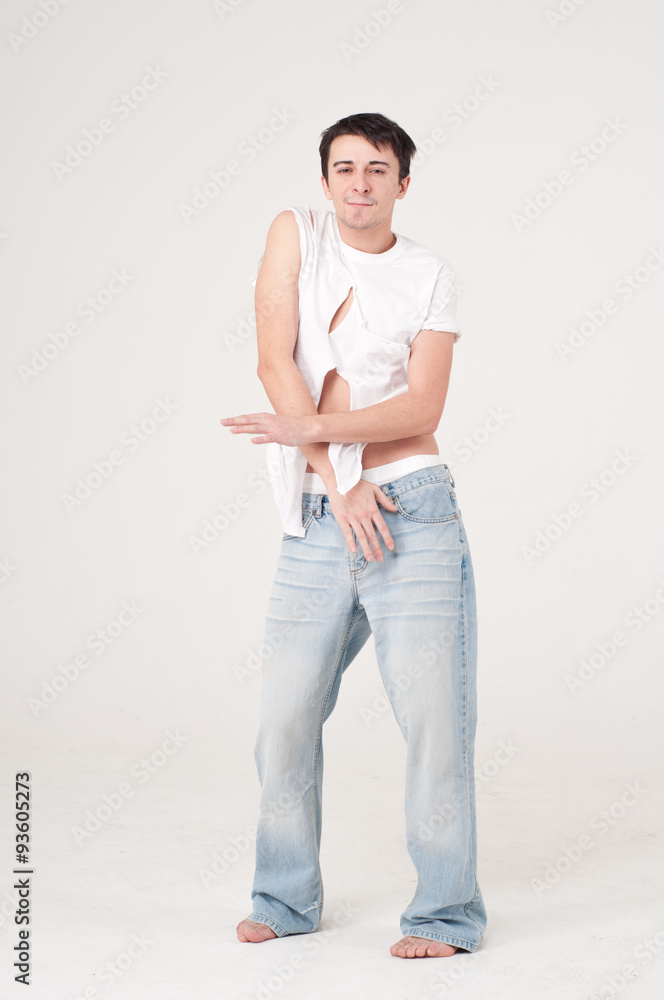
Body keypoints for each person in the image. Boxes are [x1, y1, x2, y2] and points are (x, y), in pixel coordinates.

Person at [221, 112, 487, 959]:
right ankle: (284, 898)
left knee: (435, 721)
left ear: (403, 183)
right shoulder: (296, 236)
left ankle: (446, 914)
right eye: (345, 168)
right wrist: (339, 481)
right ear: (325, 180)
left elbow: (421, 406)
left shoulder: (429, 275)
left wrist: (320, 441)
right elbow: (274, 361)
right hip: (321, 512)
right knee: (284, 718)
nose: (360, 183)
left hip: (413, 506)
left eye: (378, 169)